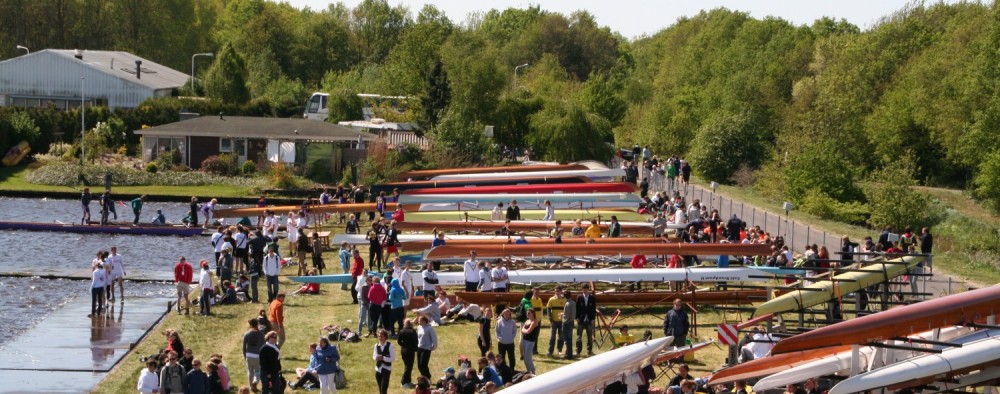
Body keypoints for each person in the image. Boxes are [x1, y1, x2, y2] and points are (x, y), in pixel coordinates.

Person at [242, 318, 265, 392]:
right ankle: (255, 381)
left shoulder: (247, 333)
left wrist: (245, 356)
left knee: (250, 371)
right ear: (257, 324)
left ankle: (251, 387)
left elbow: (244, 347)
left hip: (249, 355)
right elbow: (263, 346)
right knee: (258, 371)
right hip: (257, 355)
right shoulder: (261, 334)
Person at [576, 284, 597, 356]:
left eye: (586, 289)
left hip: (589, 319)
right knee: (579, 337)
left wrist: (593, 319)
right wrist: (577, 318)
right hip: (581, 320)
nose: (585, 290)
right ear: (582, 289)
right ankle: (578, 351)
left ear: (588, 289)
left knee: (590, 337)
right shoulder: (579, 297)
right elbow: (577, 309)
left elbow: (594, 309)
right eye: (583, 289)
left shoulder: (592, 298)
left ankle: (589, 351)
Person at [398, 319, 419, 389]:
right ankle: (403, 382)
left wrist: (403, 345)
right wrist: (415, 349)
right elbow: (416, 342)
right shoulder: (412, 331)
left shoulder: (401, 331)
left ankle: (408, 381)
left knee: (407, 366)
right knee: (408, 367)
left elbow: (399, 341)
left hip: (403, 350)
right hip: (410, 351)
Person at [374, 329, 396, 394]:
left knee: (384, 389)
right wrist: (376, 358)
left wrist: (383, 358)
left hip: (386, 369)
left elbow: (392, 358)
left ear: (385, 337)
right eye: (379, 336)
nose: (380, 337)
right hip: (378, 369)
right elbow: (374, 355)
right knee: (380, 389)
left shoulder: (390, 346)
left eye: (382, 336)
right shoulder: (376, 345)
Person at [546, 286, 566, 356]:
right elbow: (548, 308)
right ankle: (550, 351)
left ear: (561, 291)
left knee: (561, 337)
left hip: (562, 321)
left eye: (557, 291)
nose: (556, 292)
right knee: (552, 337)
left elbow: (566, 310)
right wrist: (550, 318)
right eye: (555, 291)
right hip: (553, 321)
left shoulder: (564, 299)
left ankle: (559, 350)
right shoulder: (551, 299)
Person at [416, 315, 438, 380]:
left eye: (420, 321)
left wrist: (434, 347)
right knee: (419, 365)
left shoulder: (430, 328)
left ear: (424, 321)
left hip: (426, 348)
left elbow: (434, 338)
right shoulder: (419, 327)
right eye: (418, 321)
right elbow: (418, 337)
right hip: (419, 347)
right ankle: (423, 377)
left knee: (423, 364)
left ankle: (428, 377)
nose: (419, 322)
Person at [520, 309, 541, 374]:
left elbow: (529, 331)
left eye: (529, 313)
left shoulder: (534, 321)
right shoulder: (527, 321)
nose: (527, 314)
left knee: (528, 357)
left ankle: (532, 371)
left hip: (530, 341)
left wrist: (524, 331)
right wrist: (525, 331)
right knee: (525, 356)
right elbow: (522, 329)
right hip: (524, 339)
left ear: (533, 314)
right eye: (527, 313)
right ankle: (529, 371)